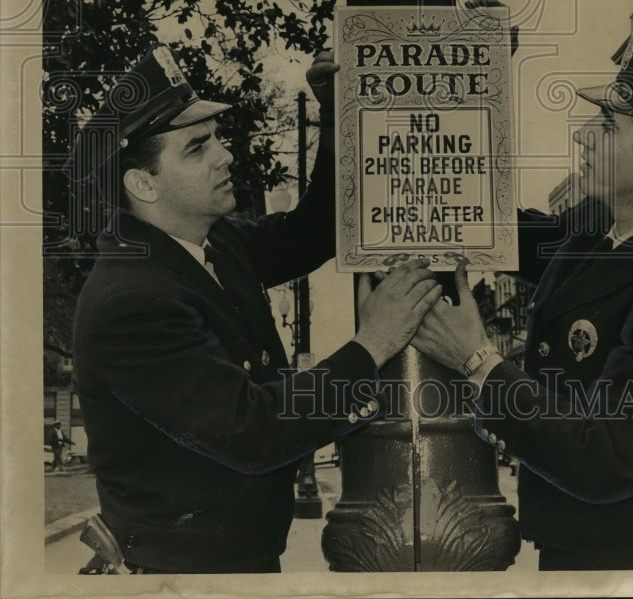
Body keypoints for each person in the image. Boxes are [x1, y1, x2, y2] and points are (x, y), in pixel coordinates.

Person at [69, 43, 441, 574]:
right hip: (180, 576)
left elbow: (317, 230)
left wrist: (336, 115)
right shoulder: (131, 301)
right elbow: (252, 430)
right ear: (142, 183)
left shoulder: (214, 246)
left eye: (215, 138)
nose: (225, 154)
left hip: (230, 562)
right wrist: (372, 344)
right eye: (197, 148)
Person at [412, 23, 633, 571]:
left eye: (605, 127)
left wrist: (478, 363)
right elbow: (483, 219)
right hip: (572, 552)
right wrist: (479, 79)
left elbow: (605, 460)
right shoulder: (602, 231)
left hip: (629, 565)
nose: (581, 137)